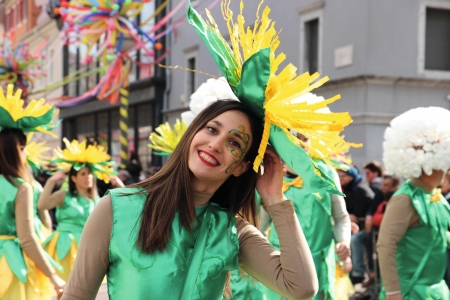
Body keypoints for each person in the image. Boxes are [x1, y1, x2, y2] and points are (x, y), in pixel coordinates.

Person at [62, 100, 318, 299]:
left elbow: (301, 287)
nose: (215, 144)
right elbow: (76, 296)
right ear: (193, 133)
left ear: (241, 167)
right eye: (211, 129)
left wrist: (275, 198)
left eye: (234, 142)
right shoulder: (115, 209)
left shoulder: (233, 231)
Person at [0, 85, 65, 299]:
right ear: (18, 150)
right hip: (9, 264)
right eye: (24, 148)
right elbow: (26, 238)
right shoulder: (21, 186)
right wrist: (53, 276)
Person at [378, 107, 450, 299]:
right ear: (433, 163)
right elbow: (386, 245)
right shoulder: (405, 198)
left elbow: (438, 236)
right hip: (410, 292)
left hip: (436, 291)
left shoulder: (437, 197)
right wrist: (393, 292)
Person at [39, 138, 123, 282]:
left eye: (89, 173)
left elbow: (126, 206)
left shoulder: (98, 200)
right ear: (74, 178)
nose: (88, 177)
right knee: (66, 290)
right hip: (65, 247)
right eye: (83, 174)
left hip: (90, 247)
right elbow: (42, 205)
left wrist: (120, 185)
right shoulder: (64, 194)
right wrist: (51, 181)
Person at [338, 166, 374, 285]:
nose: (339, 178)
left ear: (351, 176)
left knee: (354, 240)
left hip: (366, 229)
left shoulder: (359, 189)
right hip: (354, 226)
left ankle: (357, 273)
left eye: (342, 176)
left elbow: (355, 216)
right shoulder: (348, 188)